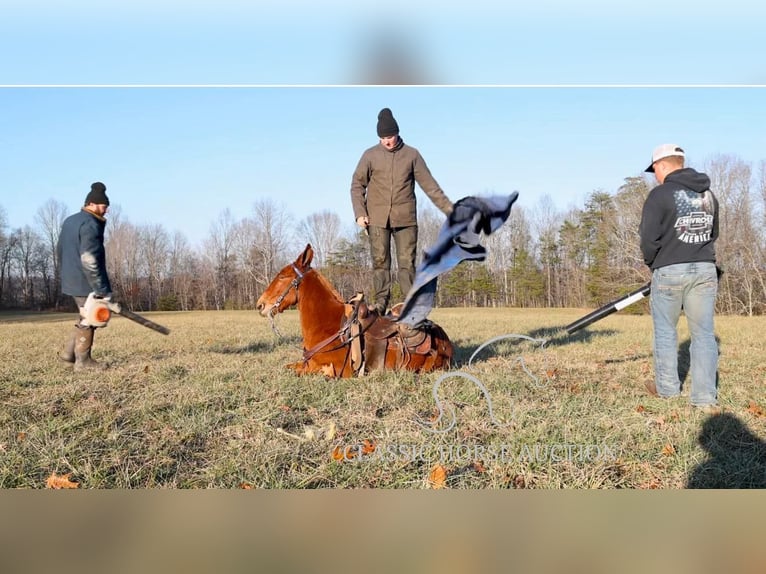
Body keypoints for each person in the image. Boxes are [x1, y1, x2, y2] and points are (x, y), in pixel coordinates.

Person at [639, 144, 720, 408]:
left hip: (670, 270)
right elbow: (713, 233)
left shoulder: (659, 195)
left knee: (665, 332)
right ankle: (705, 398)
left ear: (662, 166)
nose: (654, 176)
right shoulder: (708, 195)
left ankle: (668, 390)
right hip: (705, 269)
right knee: (704, 334)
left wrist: (654, 264)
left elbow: (648, 239)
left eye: (654, 171)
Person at [350, 107, 453, 314]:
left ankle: (411, 305)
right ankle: (380, 304)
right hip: (377, 220)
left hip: (406, 220)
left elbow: (429, 185)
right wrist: (360, 213)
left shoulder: (412, 155)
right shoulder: (370, 156)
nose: (387, 141)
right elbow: (357, 185)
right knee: (380, 263)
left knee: (406, 264)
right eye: (383, 138)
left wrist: (450, 210)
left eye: (390, 136)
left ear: (397, 133)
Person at [57, 182, 113, 371]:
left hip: (70, 276)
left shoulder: (70, 221)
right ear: (92, 204)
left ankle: (68, 354)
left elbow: (60, 250)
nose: (106, 211)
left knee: (84, 315)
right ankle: (83, 362)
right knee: (91, 317)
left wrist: (65, 273)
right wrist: (101, 289)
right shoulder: (90, 223)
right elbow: (89, 259)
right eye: (104, 207)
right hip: (85, 280)